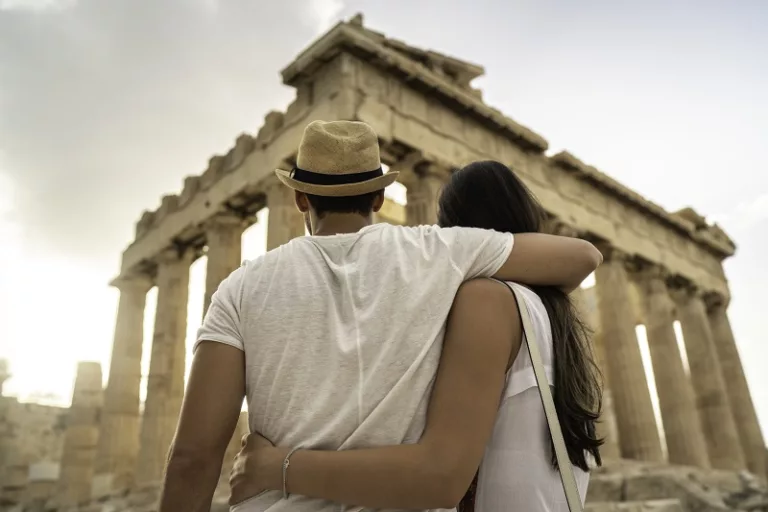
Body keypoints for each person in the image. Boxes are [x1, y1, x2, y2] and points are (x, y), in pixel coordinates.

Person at [159, 120, 602, 511]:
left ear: (298, 199)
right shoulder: (438, 255)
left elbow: (193, 458)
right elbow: (581, 256)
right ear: (380, 195)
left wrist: (277, 468)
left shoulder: (238, 288)